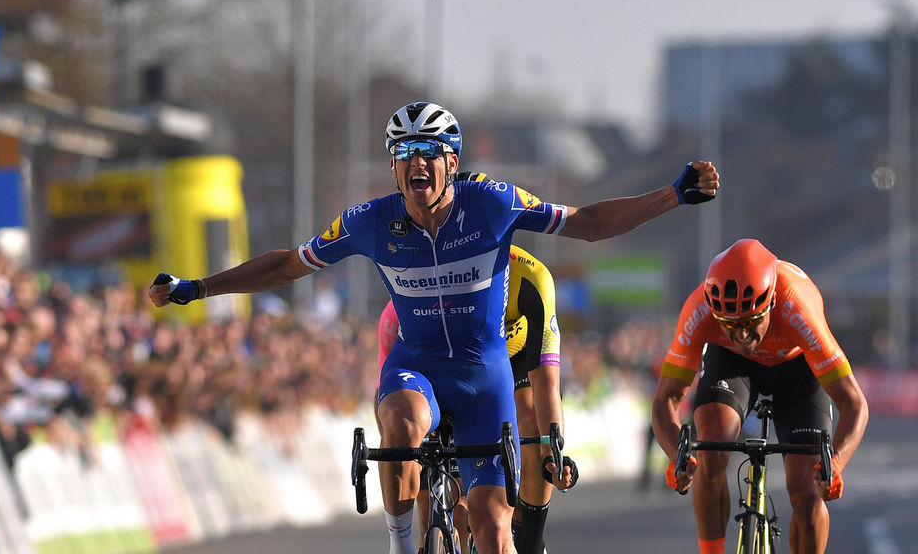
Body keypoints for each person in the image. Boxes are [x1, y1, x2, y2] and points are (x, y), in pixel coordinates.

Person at [150, 101, 720, 554]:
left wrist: (673, 194)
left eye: (429, 150)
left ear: (451, 162)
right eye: (403, 152)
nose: (415, 161)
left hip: (484, 377)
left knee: (497, 534)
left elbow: (589, 224)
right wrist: (197, 288)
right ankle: (403, 546)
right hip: (415, 364)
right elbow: (285, 265)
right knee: (400, 421)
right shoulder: (369, 221)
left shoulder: (494, 204)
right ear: (394, 166)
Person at [651, 239, 869, 554]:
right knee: (710, 447)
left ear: (771, 303)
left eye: (750, 322)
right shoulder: (698, 308)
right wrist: (678, 456)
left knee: (807, 490)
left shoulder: (797, 305)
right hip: (730, 364)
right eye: (729, 324)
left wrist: (835, 464)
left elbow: (854, 403)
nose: (741, 335)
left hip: (798, 367)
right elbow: (665, 399)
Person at [377, 236, 576, 554]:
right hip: (437, 368)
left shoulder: (531, 276)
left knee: (528, 414)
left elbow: (546, 385)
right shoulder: (408, 299)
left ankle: (530, 537)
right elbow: (388, 413)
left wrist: (555, 452)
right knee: (428, 501)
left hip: (513, 360)